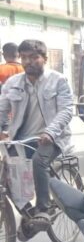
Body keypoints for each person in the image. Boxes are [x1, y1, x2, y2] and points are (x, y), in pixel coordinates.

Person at [0, 39, 73, 231]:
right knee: (5, 171)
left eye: (33, 57)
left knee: (39, 161)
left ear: (44, 59)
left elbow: (66, 110)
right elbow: (1, 110)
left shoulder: (58, 80)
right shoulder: (13, 83)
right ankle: (28, 212)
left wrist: (50, 132)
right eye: (24, 57)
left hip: (53, 138)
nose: (28, 62)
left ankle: (43, 209)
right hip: (20, 140)